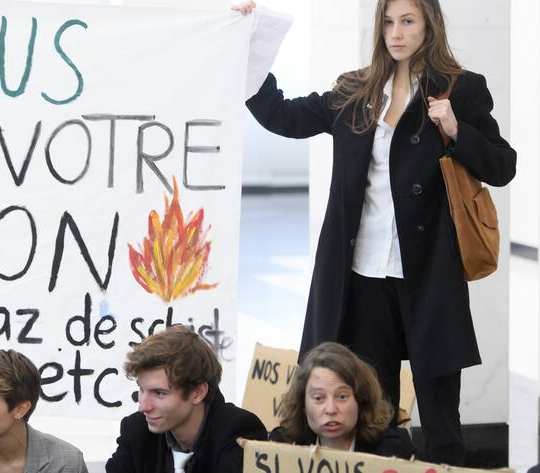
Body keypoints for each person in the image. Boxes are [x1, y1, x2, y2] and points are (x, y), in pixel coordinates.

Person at [241, 0, 516, 465]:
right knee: (375, 413)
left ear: (430, 24)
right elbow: (281, 115)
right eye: (388, 22)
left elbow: (503, 166)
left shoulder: (461, 89)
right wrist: (252, 43)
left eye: (407, 21)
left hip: (428, 274)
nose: (396, 32)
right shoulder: (355, 90)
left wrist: (455, 128)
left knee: (440, 414)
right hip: (363, 275)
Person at [105, 325, 267, 473]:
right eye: (141, 389)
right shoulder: (136, 430)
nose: (144, 407)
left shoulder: (239, 430)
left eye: (160, 393)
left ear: (198, 392)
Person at [269, 342, 414, 458]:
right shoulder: (282, 447)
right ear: (303, 406)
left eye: (342, 397)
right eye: (319, 398)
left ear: (361, 400)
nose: (331, 409)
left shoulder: (394, 449)